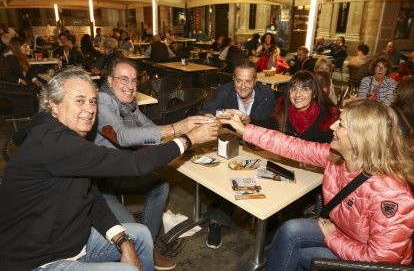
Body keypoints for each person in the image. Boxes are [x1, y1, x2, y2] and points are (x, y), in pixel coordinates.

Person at [0, 66, 218, 271]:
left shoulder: (66, 138)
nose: (89, 109)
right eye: (79, 101)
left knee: (139, 235)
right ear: (54, 106)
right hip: (40, 260)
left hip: (72, 241)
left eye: (92, 101)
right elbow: (134, 163)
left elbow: (91, 196)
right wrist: (187, 140)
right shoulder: (54, 142)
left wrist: (123, 241)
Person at [222, 99, 414, 270]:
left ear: (360, 137)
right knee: (290, 230)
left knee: (302, 254)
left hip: (368, 261)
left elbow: (381, 261)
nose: (332, 126)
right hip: (342, 232)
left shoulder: (392, 194)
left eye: (341, 124)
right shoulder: (336, 158)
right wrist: (244, 130)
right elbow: (291, 145)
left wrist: (333, 237)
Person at [93, 59, 216, 270]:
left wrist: (188, 134)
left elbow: (151, 129)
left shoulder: (128, 105)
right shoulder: (102, 100)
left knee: (160, 185)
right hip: (96, 184)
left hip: (119, 172)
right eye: (124, 79)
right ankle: (142, 245)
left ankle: (147, 248)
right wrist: (179, 129)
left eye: (134, 80)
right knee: (132, 227)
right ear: (109, 80)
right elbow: (121, 136)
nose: (130, 86)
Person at [199, 59, 276, 249]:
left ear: (256, 80)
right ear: (233, 79)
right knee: (228, 181)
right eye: (238, 81)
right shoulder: (226, 90)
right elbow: (207, 110)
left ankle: (269, 226)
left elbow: (273, 124)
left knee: (268, 185)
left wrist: (251, 121)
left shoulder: (267, 95)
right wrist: (226, 113)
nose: (242, 86)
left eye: (248, 81)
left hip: (259, 147)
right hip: (231, 146)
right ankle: (216, 221)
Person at [254, 71, 339, 144]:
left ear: (314, 93)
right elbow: (266, 125)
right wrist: (248, 121)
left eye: (305, 89)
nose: (297, 94)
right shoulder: (283, 111)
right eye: (293, 89)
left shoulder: (328, 119)